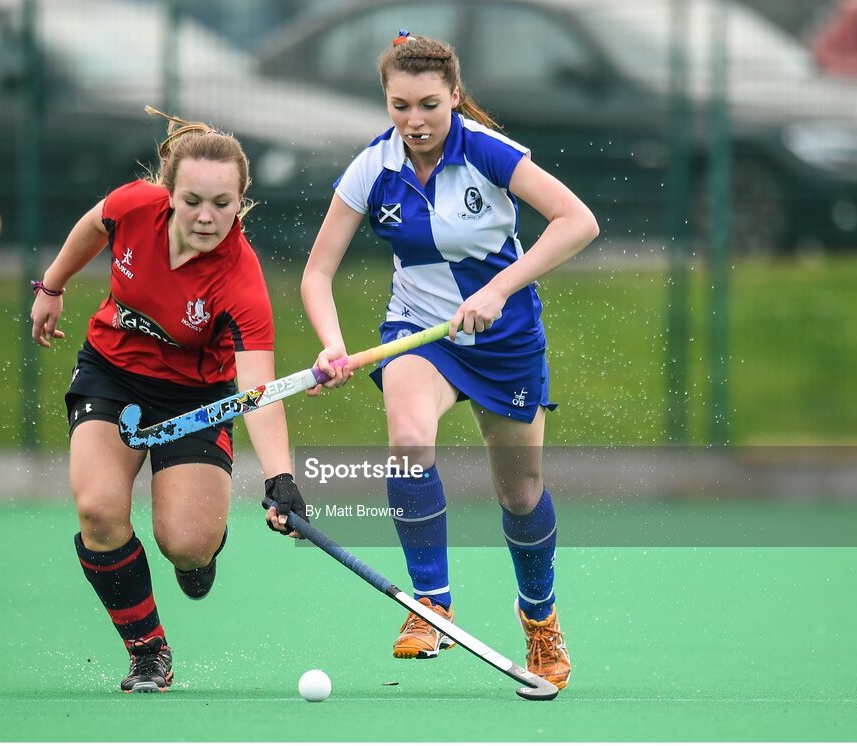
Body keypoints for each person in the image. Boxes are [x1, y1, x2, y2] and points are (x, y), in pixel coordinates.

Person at [300, 31, 599, 691]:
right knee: (409, 441)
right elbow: (317, 273)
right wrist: (331, 342)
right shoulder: (372, 168)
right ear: (386, 102)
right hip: (419, 331)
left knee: (519, 495)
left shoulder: (488, 153)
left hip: (505, 337)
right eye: (400, 105)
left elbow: (578, 221)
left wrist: (499, 288)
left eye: (429, 105)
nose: (415, 120)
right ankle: (429, 604)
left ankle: (540, 621)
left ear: (454, 97)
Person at [30, 107, 306, 693]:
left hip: (196, 400)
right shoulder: (134, 205)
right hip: (111, 373)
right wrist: (51, 286)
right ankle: (148, 651)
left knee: (185, 544)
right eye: (192, 201)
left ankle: (199, 557)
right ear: (168, 193)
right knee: (100, 510)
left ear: (241, 201)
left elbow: (259, 388)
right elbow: (91, 225)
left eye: (222, 204)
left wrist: (281, 477)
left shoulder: (240, 280)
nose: (207, 217)